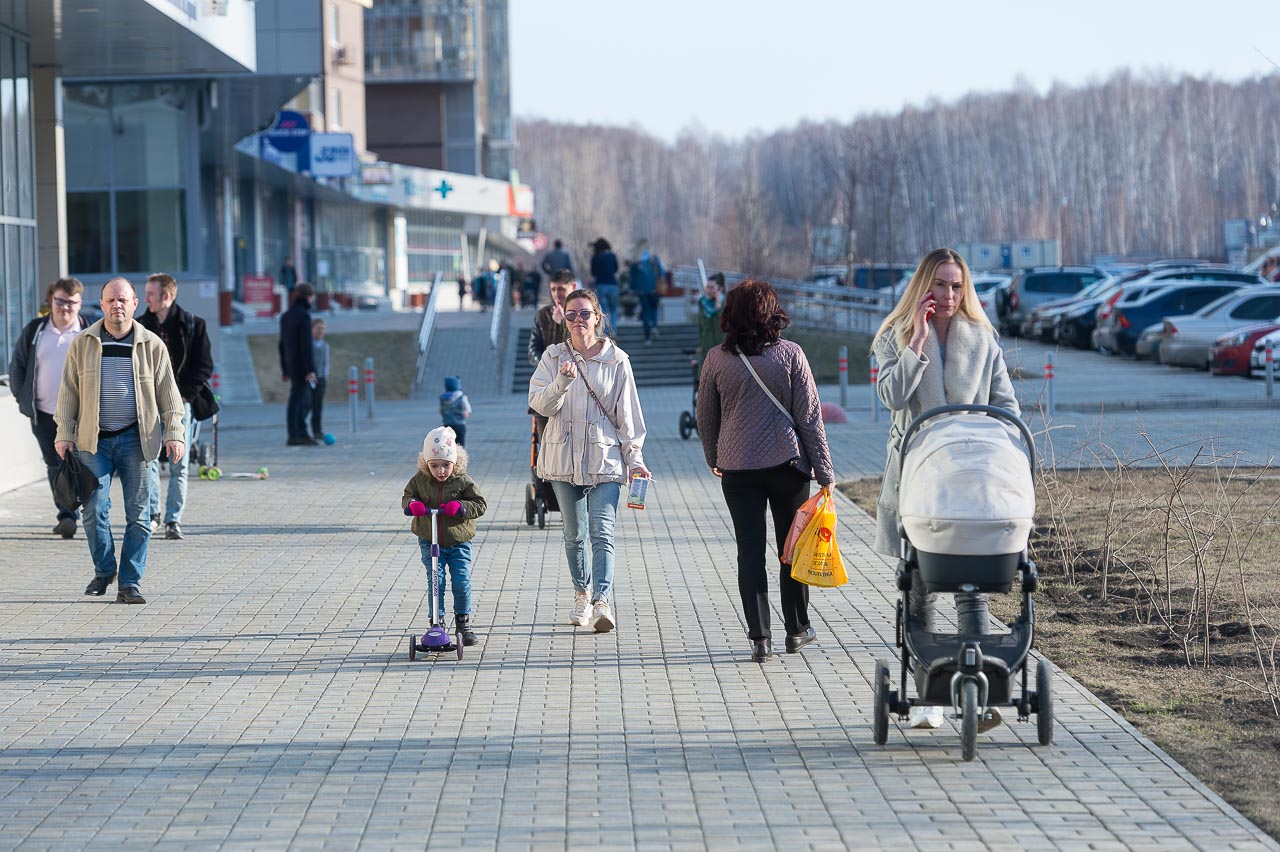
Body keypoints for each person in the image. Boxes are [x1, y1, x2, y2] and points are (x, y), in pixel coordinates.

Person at [871, 247, 1020, 729]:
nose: (950, 295)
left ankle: (977, 690)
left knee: (970, 587)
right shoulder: (895, 337)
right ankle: (929, 695)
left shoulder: (982, 339)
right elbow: (891, 396)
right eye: (940, 284)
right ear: (923, 288)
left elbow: (1007, 409)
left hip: (972, 480)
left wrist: (1005, 456)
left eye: (957, 285)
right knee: (918, 586)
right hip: (917, 478)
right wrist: (916, 342)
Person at [696, 279, 834, 663]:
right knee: (791, 550)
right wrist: (824, 471)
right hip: (787, 468)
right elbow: (810, 418)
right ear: (773, 312)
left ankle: (760, 638)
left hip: (737, 470)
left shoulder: (716, 359)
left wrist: (714, 456)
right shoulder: (791, 355)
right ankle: (797, 629)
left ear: (731, 314)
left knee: (750, 552)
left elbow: (706, 415)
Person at [54, 278, 186, 605]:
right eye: (111, 300)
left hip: (136, 440)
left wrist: (175, 433)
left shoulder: (151, 345)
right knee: (94, 508)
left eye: (123, 300)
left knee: (139, 516)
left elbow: (170, 397)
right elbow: (68, 393)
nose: (118, 306)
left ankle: (130, 583)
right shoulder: (83, 343)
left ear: (135, 303)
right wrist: (64, 434)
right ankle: (104, 568)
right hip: (92, 441)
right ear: (101, 304)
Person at [529, 288, 649, 633]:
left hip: (605, 458)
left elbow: (629, 419)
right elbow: (540, 405)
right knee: (574, 533)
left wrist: (635, 459)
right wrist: (562, 381)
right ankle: (581, 594)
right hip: (562, 458)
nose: (578, 320)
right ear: (564, 320)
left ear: (598, 317)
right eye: (571, 315)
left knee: (602, 532)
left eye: (585, 314)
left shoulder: (617, 361)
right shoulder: (552, 358)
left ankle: (602, 601)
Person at [8, 277, 91, 539]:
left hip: (80, 415)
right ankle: (67, 514)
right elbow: (17, 365)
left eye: (71, 302)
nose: (64, 307)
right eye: (60, 301)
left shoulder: (88, 333)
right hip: (43, 414)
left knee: (79, 462)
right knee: (54, 465)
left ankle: (81, 511)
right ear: (50, 301)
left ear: (79, 304)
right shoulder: (36, 331)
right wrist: (22, 396)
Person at [138, 273, 213, 541]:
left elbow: (203, 367)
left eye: (150, 294)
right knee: (150, 460)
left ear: (166, 296)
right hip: (149, 406)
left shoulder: (193, 325)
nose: (144, 299)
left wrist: (182, 397)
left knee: (179, 463)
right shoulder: (139, 327)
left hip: (181, 405)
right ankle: (154, 515)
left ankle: (173, 520)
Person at [402, 426, 488, 647]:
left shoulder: (463, 480)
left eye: (445, 465)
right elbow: (408, 497)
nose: (440, 471)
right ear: (427, 463)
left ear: (454, 462)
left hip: (458, 541)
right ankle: (436, 622)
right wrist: (413, 506)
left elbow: (480, 504)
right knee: (436, 581)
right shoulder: (420, 480)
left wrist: (460, 507)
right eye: (434, 466)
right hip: (430, 540)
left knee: (461, 581)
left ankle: (463, 623)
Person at [278, 283, 318, 446]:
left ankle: (295, 432)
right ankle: (298, 433)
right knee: (301, 400)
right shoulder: (304, 316)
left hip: (291, 364)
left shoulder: (286, 315)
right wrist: (311, 370)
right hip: (302, 366)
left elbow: (282, 345)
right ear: (308, 297)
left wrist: (285, 368)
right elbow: (306, 345)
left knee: (295, 399)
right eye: (311, 297)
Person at [628, 239, 665, 344]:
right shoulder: (653, 258)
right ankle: (654, 326)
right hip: (654, 288)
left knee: (645, 311)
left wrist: (633, 289)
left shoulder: (635, 261)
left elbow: (632, 277)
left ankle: (647, 337)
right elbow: (662, 273)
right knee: (654, 308)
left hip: (641, 290)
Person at [696, 272, 727, 373]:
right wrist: (700, 345)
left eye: (712, 287)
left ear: (720, 289)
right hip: (706, 347)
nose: (708, 290)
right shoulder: (702, 303)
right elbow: (702, 327)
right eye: (707, 287)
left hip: (721, 347)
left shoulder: (726, 303)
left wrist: (718, 307)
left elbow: (720, 326)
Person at [589, 238, 621, 331]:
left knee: (604, 310)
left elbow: (593, 272)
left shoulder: (595, 257)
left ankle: (607, 331)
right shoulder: (612, 255)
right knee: (614, 309)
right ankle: (614, 330)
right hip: (613, 285)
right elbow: (616, 269)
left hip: (601, 285)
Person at [310, 318, 330, 441]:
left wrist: (324, 376)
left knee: (318, 406)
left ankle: (317, 431)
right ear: (312, 329)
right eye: (318, 328)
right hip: (309, 379)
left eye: (323, 329)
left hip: (321, 379)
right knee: (306, 405)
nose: (320, 331)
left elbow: (326, 363)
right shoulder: (308, 344)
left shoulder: (325, 346)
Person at [440, 375, 472, 446]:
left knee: (449, 444)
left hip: (447, 425)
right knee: (460, 445)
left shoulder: (443, 398)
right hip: (459, 425)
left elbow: (441, 411)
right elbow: (467, 410)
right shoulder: (461, 398)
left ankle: (449, 456)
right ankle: (459, 456)